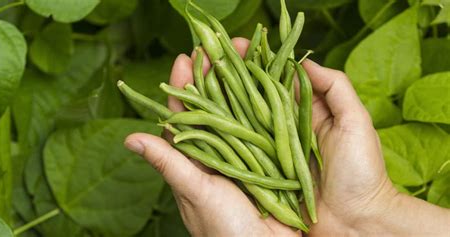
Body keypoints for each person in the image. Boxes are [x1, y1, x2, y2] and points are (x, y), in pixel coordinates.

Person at [124, 38, 450, 236]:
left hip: (296, 196)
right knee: (239, 114)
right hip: (300, 197)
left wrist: (369, 212)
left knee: (253, 107)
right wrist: (371, 214)